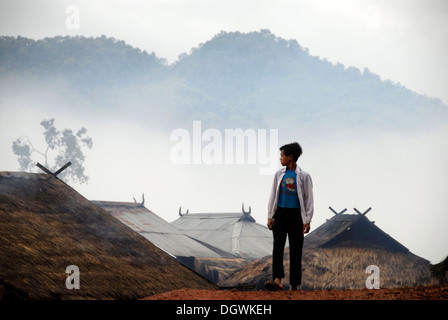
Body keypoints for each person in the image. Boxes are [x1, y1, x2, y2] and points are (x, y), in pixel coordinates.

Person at [265, 142, 314, 291]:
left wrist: (307, 220)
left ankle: (294, 284)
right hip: (280, 214)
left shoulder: (304, 176)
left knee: (296, 249)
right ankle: (277, 279)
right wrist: (270, 216)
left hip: (296, 216)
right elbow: (273, 195)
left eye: (282, 155)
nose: (280, 159)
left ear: (290, 157)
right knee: (278, 247)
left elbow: (308, 199)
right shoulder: (279, 174)